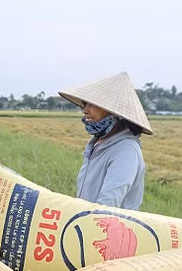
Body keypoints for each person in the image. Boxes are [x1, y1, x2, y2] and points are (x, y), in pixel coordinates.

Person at [58, 71, 153, 210]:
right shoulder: (96, 144)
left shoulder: (126, 149)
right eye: (85, 104)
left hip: (108, 227)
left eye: (93, 104)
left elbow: (108, 204)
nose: (85, 110)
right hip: (87, 223)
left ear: (115, 111)